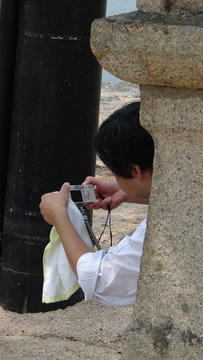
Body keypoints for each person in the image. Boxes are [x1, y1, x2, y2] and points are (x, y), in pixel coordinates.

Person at [39, 101, 154, 306]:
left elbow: (100, 280)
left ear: (135, 172)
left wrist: (61, 218)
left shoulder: (154, 231)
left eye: (116, 174)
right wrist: (127, 192)